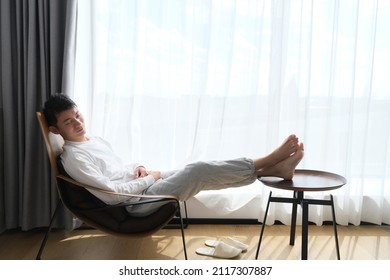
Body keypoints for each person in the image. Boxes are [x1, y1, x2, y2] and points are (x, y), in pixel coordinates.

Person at [42, 93, 304, 215]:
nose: (78, 122)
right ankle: (268, 162)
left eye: (77, 115)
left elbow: (119, 169)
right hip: (132, 203)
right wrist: (148, 179)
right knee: (197, 171)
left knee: (197, 170)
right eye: (68, 121)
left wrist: (140, 167)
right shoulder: (74, 158)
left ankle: (272, 169)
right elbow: (110, 197)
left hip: (139, 187)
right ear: (55, 129)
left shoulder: (93, 140)